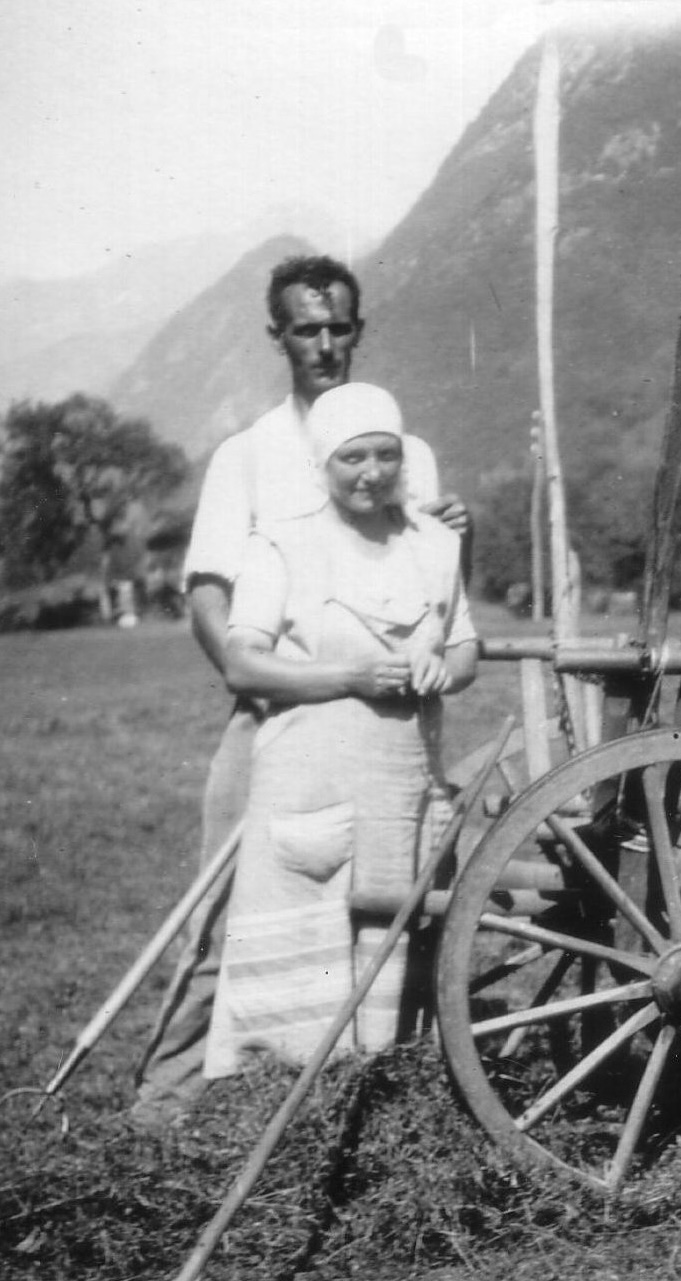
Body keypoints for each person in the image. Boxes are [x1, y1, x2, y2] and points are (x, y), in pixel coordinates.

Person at [132, 255, 465, 1128]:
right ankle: (162, 1110)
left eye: (338, 327)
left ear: (359, 330)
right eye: (305, 329)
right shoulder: (248, 454)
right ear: (276, 335)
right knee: (225, 910)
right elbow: (209, 596)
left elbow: (425, 570)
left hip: (388, 731)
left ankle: (381, 1101)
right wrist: (274, 692)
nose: (324, 344)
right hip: (275, 714)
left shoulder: (407, 448)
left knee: (394, 911)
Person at [206, 383, 478, 1078]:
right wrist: (350, 678)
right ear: (323, 464)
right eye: (352, 457)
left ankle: (377, 1091)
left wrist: (438, 667)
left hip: (400, 775)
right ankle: (271, 1098)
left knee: (387, 945)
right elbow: (242, 663)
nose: (371, 472)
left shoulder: (434, 545)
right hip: (307, 778)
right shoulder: (284, 543)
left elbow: (465, 648)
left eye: (385, 455)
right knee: (298, 958)